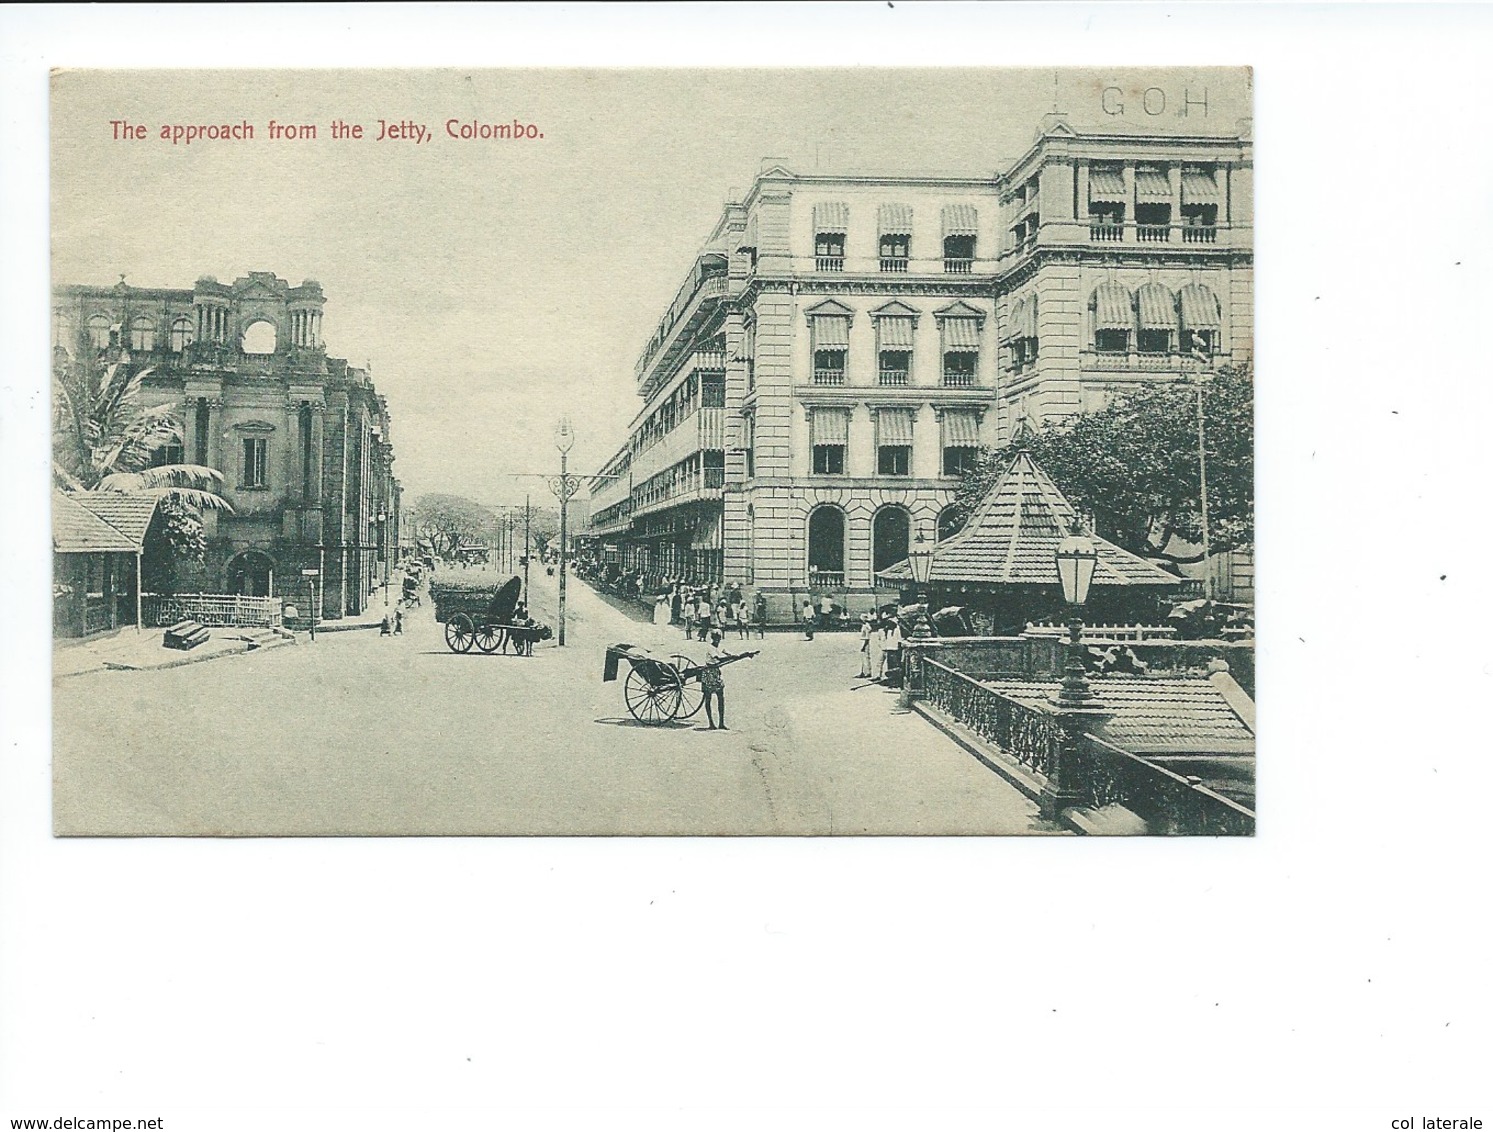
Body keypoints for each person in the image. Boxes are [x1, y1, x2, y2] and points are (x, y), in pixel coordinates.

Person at [700, 629, 757, 731]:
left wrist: (742, 655)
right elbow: (719, 659)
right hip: (708, 673)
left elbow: (727, 653)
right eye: (716, 639)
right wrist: (732, 657)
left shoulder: (719, 647)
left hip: (716, 673)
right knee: (708, 698)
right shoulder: (710, 648)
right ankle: (711, 723)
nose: (717, 640)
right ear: (712, 638)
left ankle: (721, 723)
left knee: (721, 698)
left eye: (719, 639)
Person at [858, 614, 873, 678]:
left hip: (865, 642)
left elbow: (867, 637)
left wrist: (864, 646)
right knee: (863, 658)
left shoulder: (867, 626)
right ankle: (863, 672)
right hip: (863, 641)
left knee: (866, 657)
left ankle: (867, 672)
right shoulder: (864, 625)